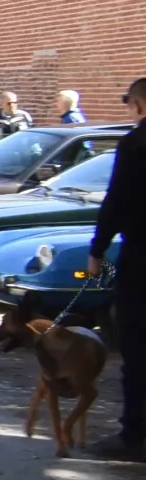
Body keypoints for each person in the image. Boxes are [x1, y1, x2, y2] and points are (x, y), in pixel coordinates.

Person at [87, 76, 146, 459]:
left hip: (142, 259)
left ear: (139, 105)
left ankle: (134, 436)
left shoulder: (136, 143)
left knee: (138, 349)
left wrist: (98, 248)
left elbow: (117, 199)